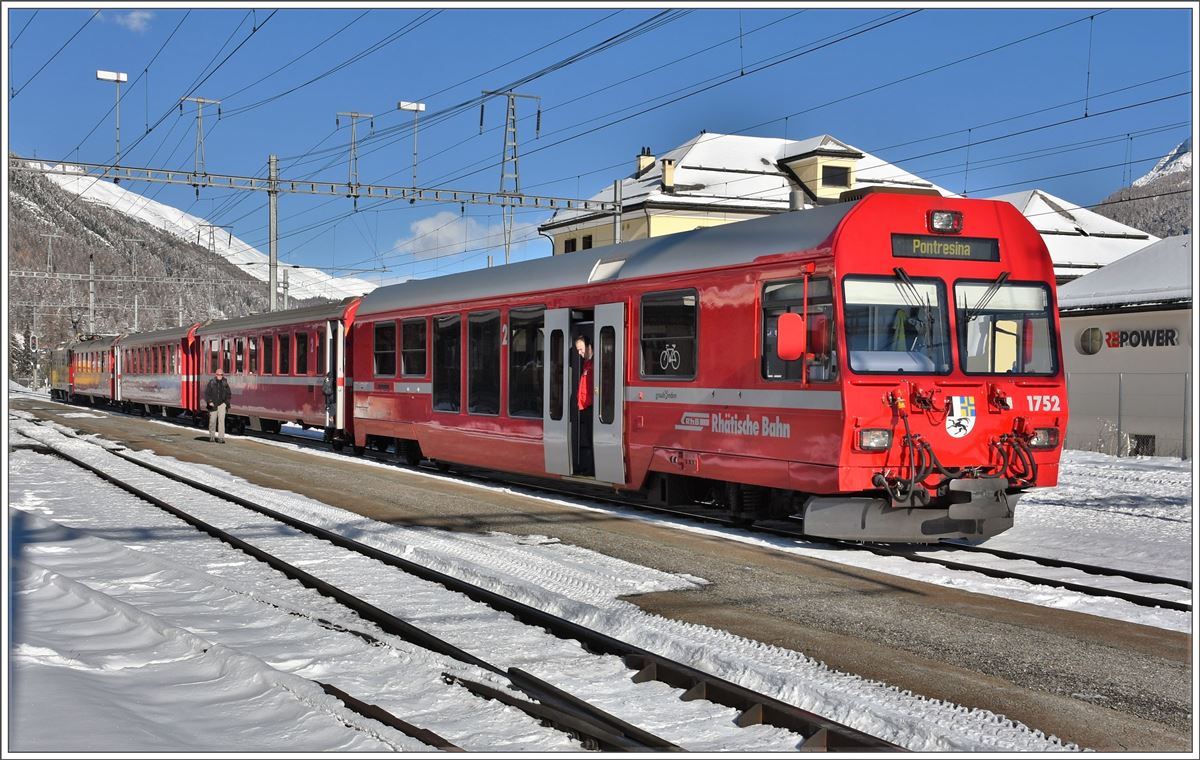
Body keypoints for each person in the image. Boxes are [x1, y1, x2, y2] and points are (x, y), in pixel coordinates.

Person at [575, 334, 594, 475]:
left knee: (592, 438)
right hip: (585, 407)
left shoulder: (594, 363)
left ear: (589, 347)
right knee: (588, 437)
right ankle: (590, 466)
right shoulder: (587, 363)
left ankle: (593, 468)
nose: (580, 353)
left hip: (592, 407)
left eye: (581, 349)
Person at [205, 367, 232, 443]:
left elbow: (229, 394)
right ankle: (212, 436)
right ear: (216, 375)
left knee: (221, 421)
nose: (220, 376)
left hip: (221, 405)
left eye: (221, 374)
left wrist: (225, 403)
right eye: (218, 374)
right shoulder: (211, 383)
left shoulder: (225, 383)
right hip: (213, 404)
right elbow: (207, 394)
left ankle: (221, 438)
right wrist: (209, 401)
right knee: (212, 421)